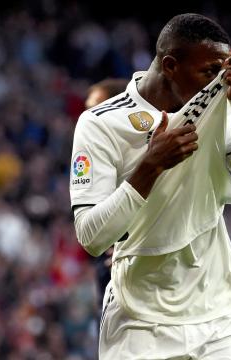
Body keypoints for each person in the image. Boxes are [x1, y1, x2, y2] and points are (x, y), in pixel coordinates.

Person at [70, 13, 231, 359]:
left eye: (221, 72)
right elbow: (91, 237)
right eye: (209, 72)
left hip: (215, 312)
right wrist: (150, 166)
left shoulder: (217, 107)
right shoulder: (101, 124)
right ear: (170, 65)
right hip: (140, 320)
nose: (217, 83)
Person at [82, 77, 130, 312]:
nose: (87, 118)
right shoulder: (93, 160)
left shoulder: (144, 155)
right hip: (109, 277)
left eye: (95, 109)